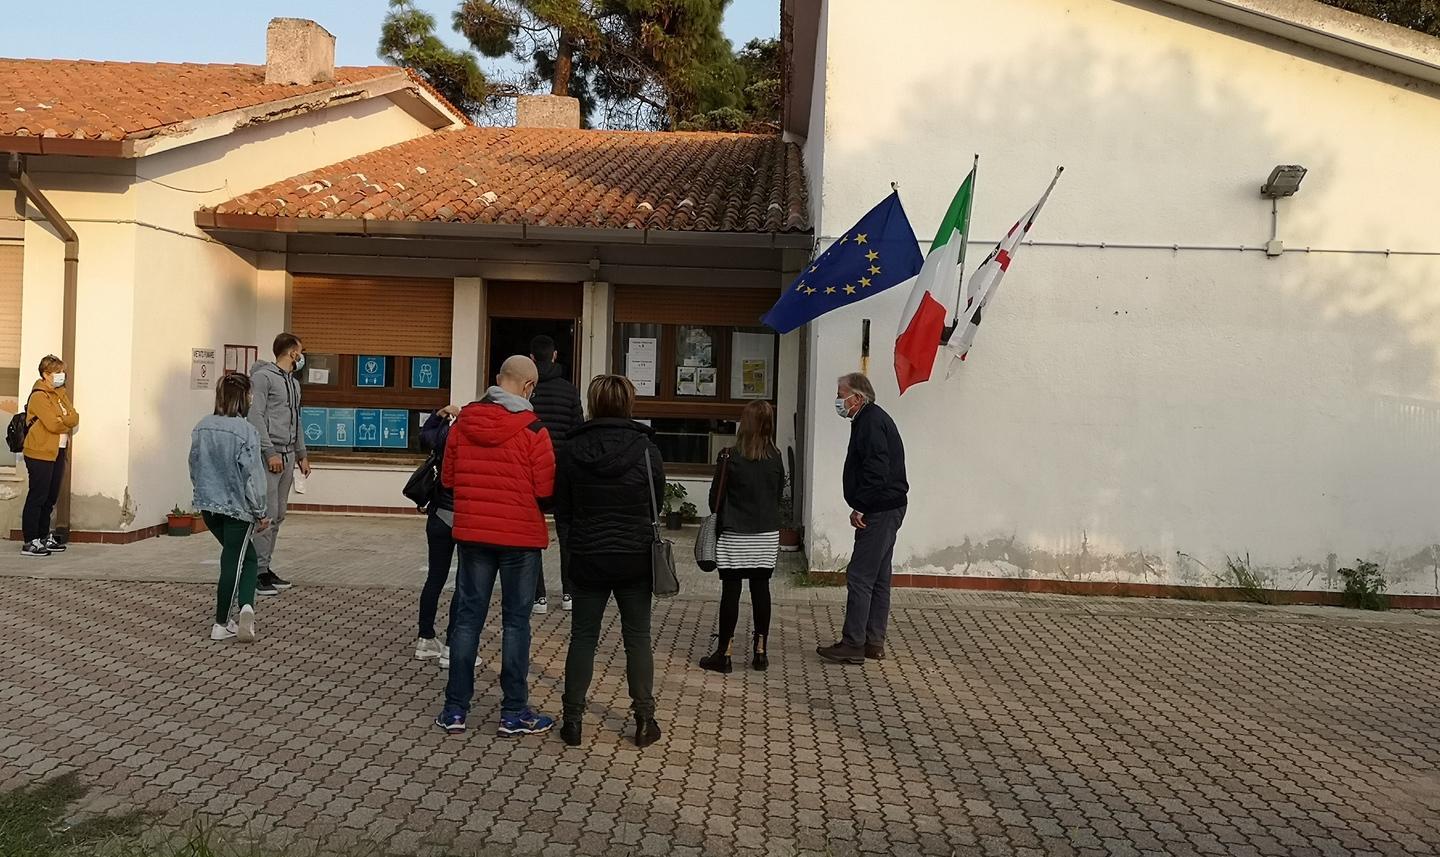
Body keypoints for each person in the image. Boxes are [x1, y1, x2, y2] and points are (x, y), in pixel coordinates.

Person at [435, 356, 557, 738]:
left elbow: (449, 479)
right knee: (516, 623)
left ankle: (455, 710)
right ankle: (513, 713)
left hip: (473, 534)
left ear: (497, 379)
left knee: (467, 619)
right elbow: (546, 491)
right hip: (520, 538)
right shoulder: (535, 429)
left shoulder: (463, 422)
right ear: (528, 386)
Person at [555, 374, 664, 749]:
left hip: (588, 556)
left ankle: (572, 720)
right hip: (635, 556)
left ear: (593, 403)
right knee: (638, 638)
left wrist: (572, 547)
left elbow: (563, 509)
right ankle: (644, 719)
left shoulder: (571, 448)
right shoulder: (646, 449)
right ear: (629, 403)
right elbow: (656, 502)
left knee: (583, 637)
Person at [817, 372, 908, 665]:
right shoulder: (869, 419)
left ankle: (853, 643)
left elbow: (876, 470)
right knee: (878, 577)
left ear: (856, 397)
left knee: (859, 576)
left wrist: (861, 506)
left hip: (880, 509)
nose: (838, 400)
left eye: (840, 394)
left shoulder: (870, 422)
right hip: (889, 506)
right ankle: (873, 641)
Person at [698, 400, 785, 674]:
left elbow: (715, 500)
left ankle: (724, 653)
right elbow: (778, 494)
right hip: (766, 534)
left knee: (731, 592)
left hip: (734, 534)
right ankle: (760, 652)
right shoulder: (776, 457)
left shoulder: (729, 456)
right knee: (761, 589)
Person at [190, 373, 270, 642]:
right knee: (233, 561)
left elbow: (194, 466)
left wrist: (201, 492)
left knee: (248, 558)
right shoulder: (247, 431)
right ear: (242, 398)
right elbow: (253, 476)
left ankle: (246, 607)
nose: (251, 399)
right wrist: (261, 512)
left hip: (209, 507)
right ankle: (221, 622)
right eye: (249, 394)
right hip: (238, 508)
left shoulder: (202, 427)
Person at [247, 333, 312, 597]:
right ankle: (255, 572)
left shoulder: (293, 383)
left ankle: (265, 567)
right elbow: (255, 416)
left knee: (279, 513)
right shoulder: (263, 378)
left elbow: (296, 418)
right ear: (292, 353)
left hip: (288, 455)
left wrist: (302, 453)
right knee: (266, 514)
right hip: (270, 456)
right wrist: (269, 451)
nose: (302, 356)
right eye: (300, 351)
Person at [528, 333, 584, 614]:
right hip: (563, 471)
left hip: (531, 471)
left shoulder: (526, 390)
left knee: (531, 531)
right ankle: (569, 593)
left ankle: (538, 596)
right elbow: (578, 431)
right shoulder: (569, 390)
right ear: (555, 356)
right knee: (567, 532)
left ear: (531, 358)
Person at [415, 404, 462, 669]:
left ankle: (425, 638)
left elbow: (425, 435)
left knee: (435, 577)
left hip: (439, 514)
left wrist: (438, 415)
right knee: (465, 582)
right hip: (466, 517)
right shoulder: (475, 440)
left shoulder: (447, 435)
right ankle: (453, 644)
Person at [19, 355, 80, 557]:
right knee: (38, 496)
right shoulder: (39, 396)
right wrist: (64, 420)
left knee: (50, 497)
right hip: (39, 452)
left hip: (58, 451)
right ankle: (30, 541)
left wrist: (63, 419)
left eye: (62, 372)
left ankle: (43, 536)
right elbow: (53, 424)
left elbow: (75, 417)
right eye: (57, 372)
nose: (61, 375)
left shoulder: (59, 394)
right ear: (45, 374)